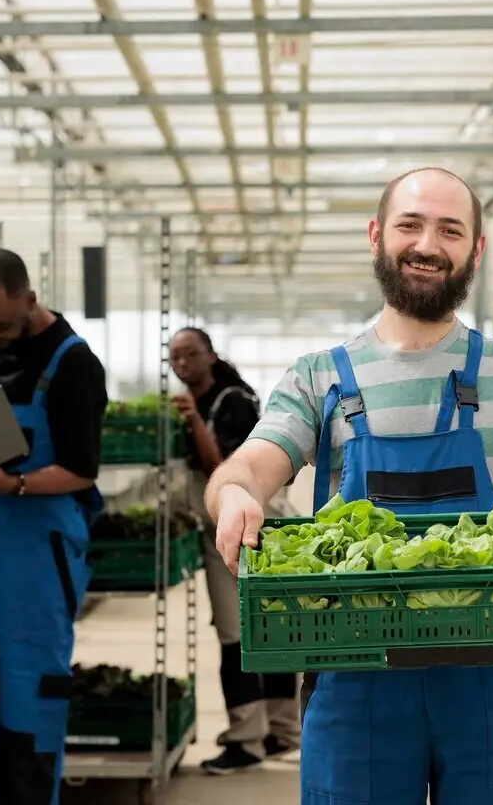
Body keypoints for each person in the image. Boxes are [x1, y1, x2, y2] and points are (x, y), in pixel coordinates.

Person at [203, 166, 493, 805]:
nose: (427, 244)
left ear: (476, 249)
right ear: (378, 235)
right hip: (355, 668)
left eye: (450, 229)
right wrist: (237, 494)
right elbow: (246, 467)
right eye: (410, 225)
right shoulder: (317, 378)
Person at [0, 249, 109, 805]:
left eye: (0, 327)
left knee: (29, 687)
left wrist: (10, 484)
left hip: (41, 539)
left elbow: (81, 470)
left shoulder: (73, 362)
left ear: (31, 301)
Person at [169, 326, 301, 775]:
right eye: (175, 357)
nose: (182, 364)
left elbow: (223, 470)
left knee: (239, 633)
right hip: (226, 528)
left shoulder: (233, 403)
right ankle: (280, 731)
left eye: (190, 354)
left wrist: (190, 420)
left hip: (244, 527)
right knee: (266, 627)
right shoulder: (209, 401)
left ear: (210, 355)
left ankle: (249, 739)